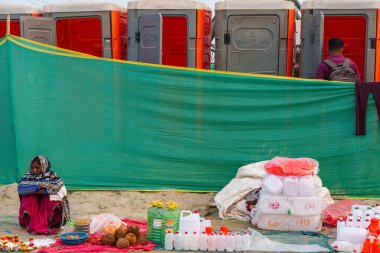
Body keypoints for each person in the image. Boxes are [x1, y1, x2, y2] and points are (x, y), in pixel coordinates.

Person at [18, 156, 70, 235]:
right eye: (32, 168)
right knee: (28, 197)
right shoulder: (27, 176)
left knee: (52, 196)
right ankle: (33, 222)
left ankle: (49, 222)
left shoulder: (52, 176)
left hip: (47, 206)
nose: (34, 170)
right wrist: (38, 188)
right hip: (34, 206)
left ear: (45, 166)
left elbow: (58, 189)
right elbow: (21, 189)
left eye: (38, 167)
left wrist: (38, 191)